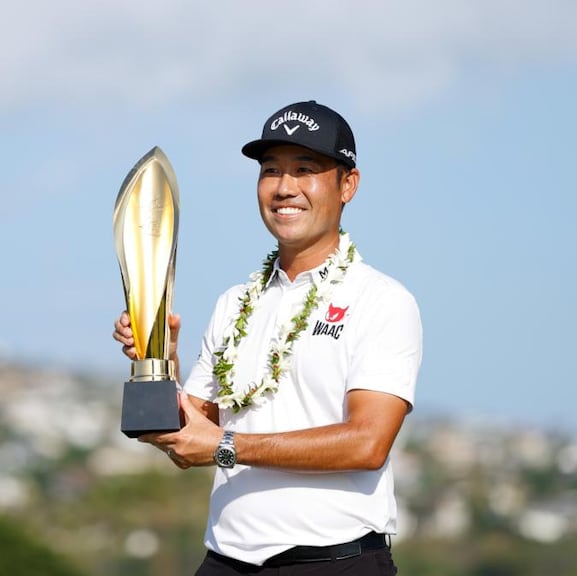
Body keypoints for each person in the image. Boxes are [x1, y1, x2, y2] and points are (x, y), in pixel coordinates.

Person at [112, 100, 422, 575]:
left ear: (348, 185)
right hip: (227, 561)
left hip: (334, 563)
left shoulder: (381, 299)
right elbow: (190, 438)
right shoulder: (235, 302)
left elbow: (367, 443)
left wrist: (226, 446)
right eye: (271, 170)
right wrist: (161, 360)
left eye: (305, 169)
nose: (284, 187)